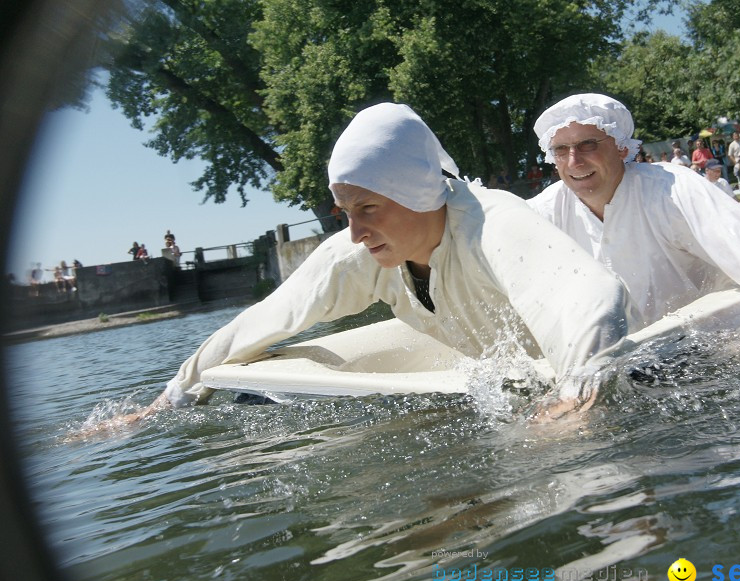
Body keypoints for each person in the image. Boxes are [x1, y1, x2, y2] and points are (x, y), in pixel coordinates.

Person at [119, 103, 630, 424]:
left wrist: (575, 400)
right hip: (497, 371)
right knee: (257, 389)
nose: (356, 232)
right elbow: (267, 317)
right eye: (345, 212)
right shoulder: (361, 252)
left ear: (420, 192)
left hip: (627, 358)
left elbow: (595, 299)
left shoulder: (491, 222)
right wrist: (169, 399)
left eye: (367, 208)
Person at [527, 93, 740, 331]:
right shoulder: (544, 211)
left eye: (588, 144)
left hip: (719, 340)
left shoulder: (673, 188)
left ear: (622, 148)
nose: (574, 161)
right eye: (561, 150)